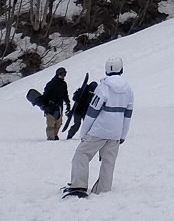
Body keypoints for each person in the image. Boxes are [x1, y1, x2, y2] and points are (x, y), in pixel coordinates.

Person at [64, 56, 133, 196]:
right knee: (109, 161)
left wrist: (84, 133)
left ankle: (79, 186)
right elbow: (127, 115)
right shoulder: (129, 90)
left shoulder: (103, 87)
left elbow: (92, 112)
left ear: (107, 70)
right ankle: (103, 189)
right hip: (116, 132)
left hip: (99, 131)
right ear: (121, 69)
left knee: (81, 155)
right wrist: (122, 135)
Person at [39, 66, 70, 141]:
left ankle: (55, 135)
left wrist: (68, 103)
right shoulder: (51, 84)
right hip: (50, 106)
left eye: (64, 74)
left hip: (59, 106)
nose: (63, 76)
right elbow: (45, 95)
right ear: (58, 74)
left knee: (59, 123)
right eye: (62, 74)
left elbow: (65, 94)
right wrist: (45, 105)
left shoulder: (63, 84)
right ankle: (50, 137)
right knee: (50, 124)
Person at [66, 70, 98, 139]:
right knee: (77, 124)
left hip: (86, 112)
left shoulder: (93, 95)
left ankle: (88, 136)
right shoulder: (83, 91)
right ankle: (69, 135)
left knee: (88, 125)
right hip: (78, 110)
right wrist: (77, 95)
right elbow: (74, 98)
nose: (92, 91)